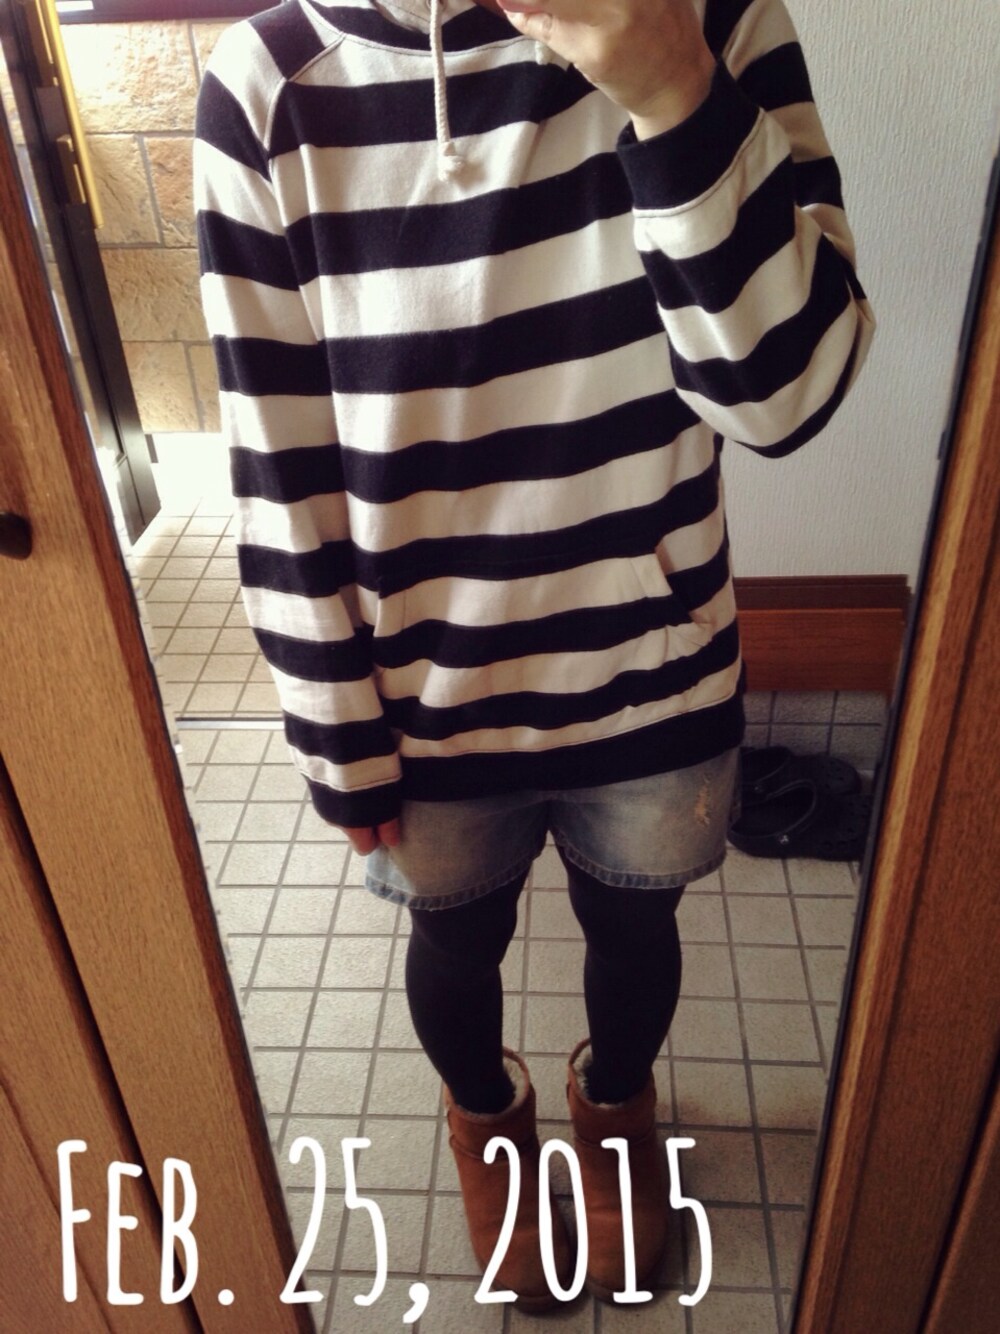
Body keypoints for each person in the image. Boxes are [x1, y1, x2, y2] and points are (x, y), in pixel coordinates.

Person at [195, 0, 873, 1310]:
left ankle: (615, 1116)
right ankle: (486, 1129)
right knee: (454, 949)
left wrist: (673, 93)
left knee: (638, 928)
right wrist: (333, 727)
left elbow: (791, 396)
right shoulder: (268, 89)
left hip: (654, 667)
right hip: (424, 700)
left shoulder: (716, 17)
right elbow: (276, 464)